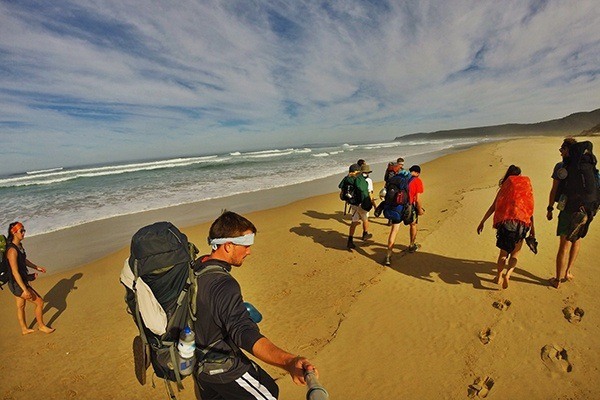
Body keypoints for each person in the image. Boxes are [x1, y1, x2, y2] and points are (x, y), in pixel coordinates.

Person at [193, 211, 317, 399]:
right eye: (246, 245)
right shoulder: (224, 284)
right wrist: (290, 362)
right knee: (269, 393)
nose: (249, 251)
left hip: (196, 363)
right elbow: (243, 332)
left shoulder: (197, 266)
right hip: (221, 366)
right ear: (228, 246)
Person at [477, 165, 535, 289]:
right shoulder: (524, 191)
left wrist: (482, 221)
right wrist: (533, 230)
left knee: (503, 254)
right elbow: (530, 211)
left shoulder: (504, 189)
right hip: (521, 225)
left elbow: (494, 207)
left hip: (506, 225)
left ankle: (498, 276)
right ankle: (508, 275)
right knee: (515, 255)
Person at [546, 138, 594, 288]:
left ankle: (557, 280)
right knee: (577, 239)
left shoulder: (561, 167)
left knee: (564, 244)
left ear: (568, 150)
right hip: (585, 210)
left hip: (568, 209)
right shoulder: (588, 166)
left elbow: (554, 189)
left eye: (562, 149)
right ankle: (568, 272)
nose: (560, 152)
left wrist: (549, 208)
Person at [4, 222, 55, 335]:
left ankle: (24, 329)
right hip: (17, 283)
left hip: (19, 282)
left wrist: (36, 267)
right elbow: (15, 272)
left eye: (24, 230)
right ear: (14, 232)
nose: (23, 233)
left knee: (21, 306)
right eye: (21, 231)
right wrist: (25, 290)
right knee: (40, 302)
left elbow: (24, 260)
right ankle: (41, 326)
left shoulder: (19, 246)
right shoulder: (12, 251)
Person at [383, 165, 424, 265]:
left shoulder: (398, 179)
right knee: (413, 224)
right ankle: (411, 245)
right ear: (418, 173)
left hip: (397, 207)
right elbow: (417, 199)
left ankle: (388, 256)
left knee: (394, 230)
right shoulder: (417, 181)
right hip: (409, 207)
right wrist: (420, 210)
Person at [339, 163, 372, 249]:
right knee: (365, 218)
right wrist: (368, 203)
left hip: (352, 204)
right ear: (357, 171)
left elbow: (340, 187)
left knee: (354, 221)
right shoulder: (359, 178)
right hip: (360, 203)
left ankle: (350, 240)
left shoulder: (347, 179)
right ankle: (365, 234)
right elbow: (363, 189)